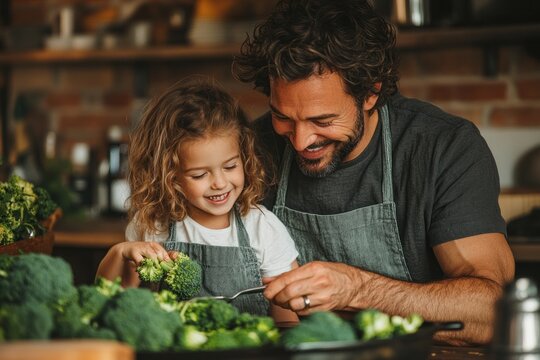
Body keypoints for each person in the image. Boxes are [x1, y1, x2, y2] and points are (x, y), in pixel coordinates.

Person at [232, 0, 515, 345]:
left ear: (370, 93)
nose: (302, 140)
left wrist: (357, 290)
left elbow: (491, 313)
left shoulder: (442, 147)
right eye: (283, 117)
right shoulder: (248, 152)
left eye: (323, 121)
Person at [96, 78, 299, 322]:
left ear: (245, 159)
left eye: (230, 166)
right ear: (170, 176)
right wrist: (121, 253)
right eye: (200, 174)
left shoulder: (263, 228)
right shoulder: (152, 226)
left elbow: (287, 320)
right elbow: (108, 300)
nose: (219, 182)